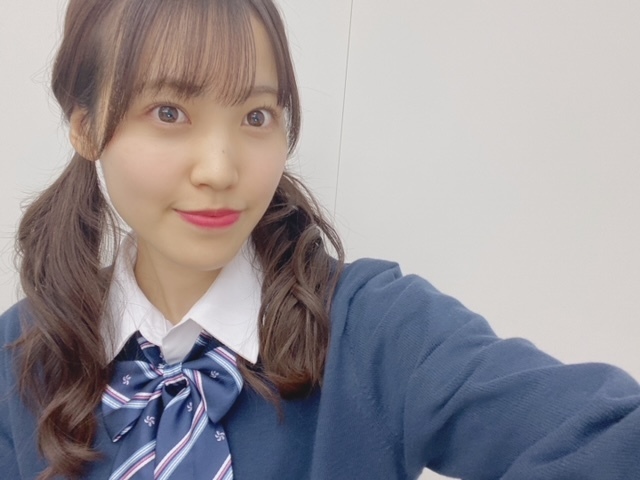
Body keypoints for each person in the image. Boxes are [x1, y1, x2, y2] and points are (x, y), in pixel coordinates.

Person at [1, 0, 639, 479]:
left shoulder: (374, 328)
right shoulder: (20, 354)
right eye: (169, 113)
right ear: (85, 127)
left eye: (256, 116)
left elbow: (617, 436)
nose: (220, 170)